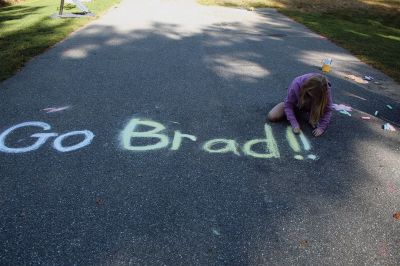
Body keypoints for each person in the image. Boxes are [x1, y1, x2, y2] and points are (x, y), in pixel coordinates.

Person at [267, 73, 333, 137]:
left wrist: (321, 127)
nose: (313, 98)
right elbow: (288, 105)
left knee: (315, 119)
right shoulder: (296, 84)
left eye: (316, 98)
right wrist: (294, 124)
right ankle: (298, 110)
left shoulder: (324, 89)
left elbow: (328, 110)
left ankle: (311, 114)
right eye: (311, 96)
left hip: (310, 106)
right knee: (272, 116)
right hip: (296, 103)